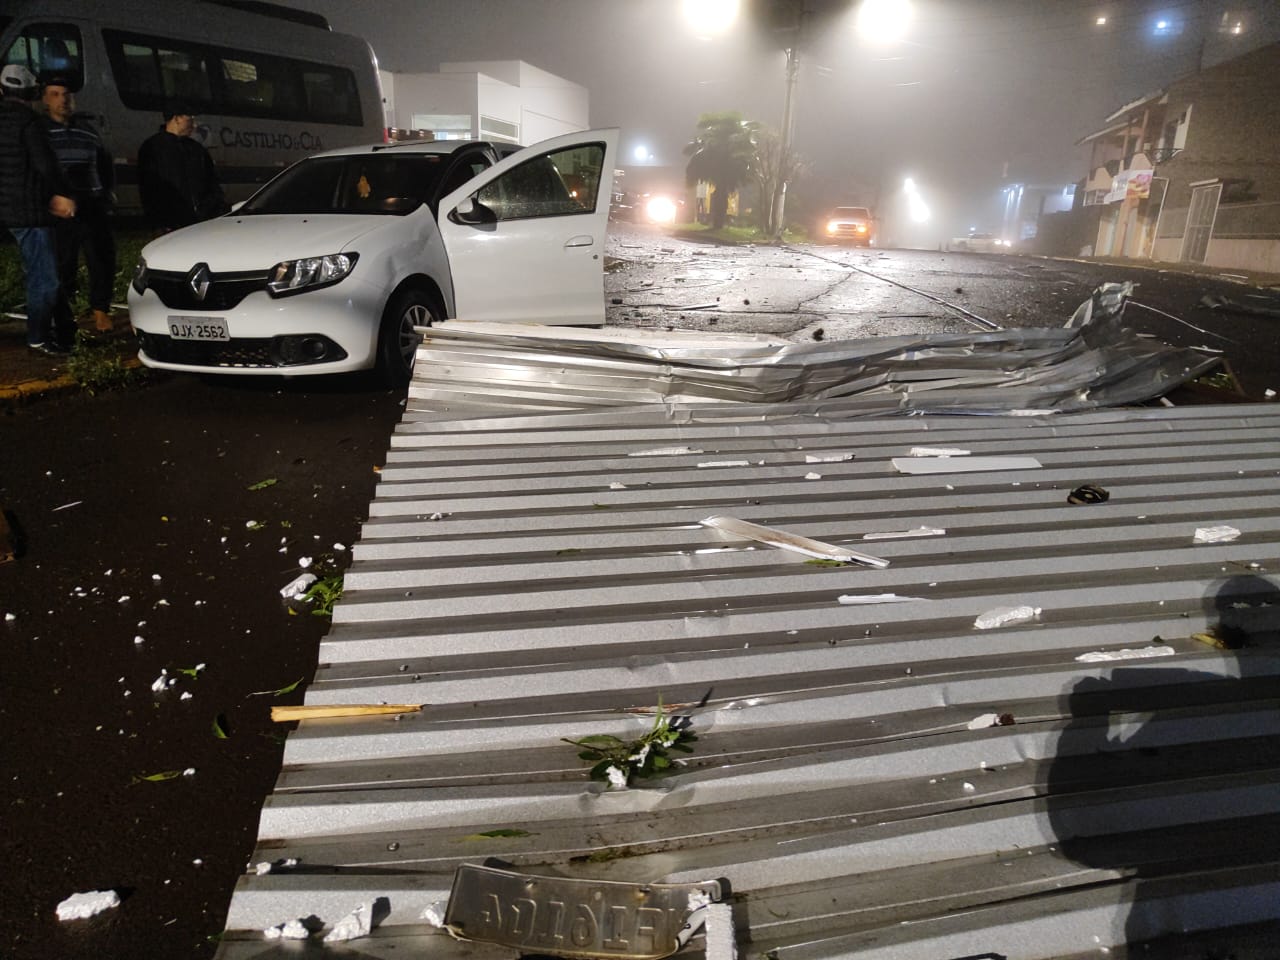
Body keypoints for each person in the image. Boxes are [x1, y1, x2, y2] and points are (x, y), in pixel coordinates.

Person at [0, 64, 77, 355]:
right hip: (30, 211)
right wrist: (63, 193)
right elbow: (46, 165)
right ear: (33, 93)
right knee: (44, 278)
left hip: (6, 209)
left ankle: (62, 329)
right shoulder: (30, 123)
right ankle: (38, 336)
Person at [42, 76, 116, 333]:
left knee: (101, 259)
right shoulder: (41, 131)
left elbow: (104, 162)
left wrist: (106, 192)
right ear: (44, 99)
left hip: (92, 203)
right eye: (55, 94)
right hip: (60, 208)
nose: (62, 100)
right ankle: (64, 315)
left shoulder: (87, 129)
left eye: (66, 94)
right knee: (63, 263)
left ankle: (100, 311)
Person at [137, 102, 227, 233]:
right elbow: (148, 189)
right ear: (176, 118)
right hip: (170, 225)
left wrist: (210, 207)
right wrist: (158, 221)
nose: (194, 124)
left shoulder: (197, 149)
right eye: (190, 118)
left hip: (199, 222)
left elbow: (212, 182)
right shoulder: (153, 147)